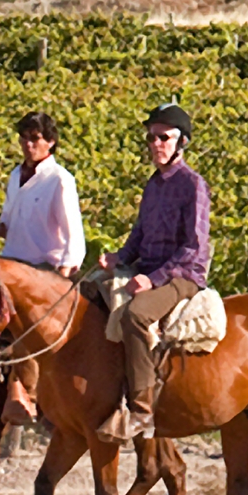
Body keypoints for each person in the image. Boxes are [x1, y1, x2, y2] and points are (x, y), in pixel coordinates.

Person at [97, 102, 210, 443]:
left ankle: (142, 411)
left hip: (183, 276)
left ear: (181, 143)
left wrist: (153, 279)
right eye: (151, 137)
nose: (156, 144)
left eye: (164, 137)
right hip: (147, 267)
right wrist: (120, 257)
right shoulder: (153, 185)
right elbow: (139, 234)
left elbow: (193, 246)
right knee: (87, 294)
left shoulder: (193, 185)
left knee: (135, 315)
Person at [0, 111, 85, 425]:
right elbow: (9, 220)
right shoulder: (15, 175)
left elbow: (74, 234)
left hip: (42, 270)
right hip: (11, 265)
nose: (28, 144)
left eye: (35, 139)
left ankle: (26, 395)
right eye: (24, 138)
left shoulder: (59, 180)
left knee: (25, 329)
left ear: (51, 142)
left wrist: (61, 277)